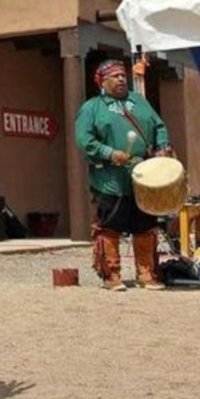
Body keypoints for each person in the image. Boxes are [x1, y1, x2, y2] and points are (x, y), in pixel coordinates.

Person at [75, 60, 170, 291]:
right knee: (110, 225)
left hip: (142, 176)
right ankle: (112, 275)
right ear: (102, 82)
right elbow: (84, 140)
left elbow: (159, 126)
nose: (121, 79)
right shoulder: (92, 107)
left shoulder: (138, 102)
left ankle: (146, 273)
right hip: (111, 177)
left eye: (123, 76)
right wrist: (108, 152)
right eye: (115, 76)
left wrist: (162, 147)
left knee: (145, 224)